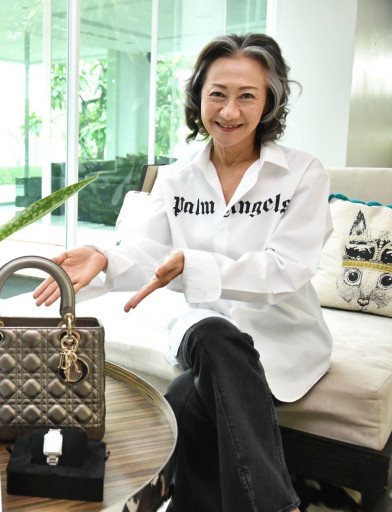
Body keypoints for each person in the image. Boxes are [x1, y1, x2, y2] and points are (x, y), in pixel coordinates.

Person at [33, 33, 333, 512]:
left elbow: (287, 269)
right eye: (218, 94)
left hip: (284, 334)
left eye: (247, 96)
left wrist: (195, 265)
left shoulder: (302, 174)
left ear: (269, 101)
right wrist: (106, 257)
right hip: (201, 327)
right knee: (213, 332)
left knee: (185, 399)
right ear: (198, 96)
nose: (229, 111)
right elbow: (149, 253)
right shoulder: (176, 177)